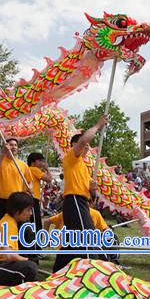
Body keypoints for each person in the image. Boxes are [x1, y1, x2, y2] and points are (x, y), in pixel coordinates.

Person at [53, 115, 108, 273]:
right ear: (74, 145)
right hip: (74, 202)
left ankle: (58, 271)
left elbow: (92, 197)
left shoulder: (83, 167)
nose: (86, 147)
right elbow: (84, 140)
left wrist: (92, 189)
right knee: (88, 235)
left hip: (80, 203)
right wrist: (98, 125)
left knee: (72, 240)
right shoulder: (71, 158)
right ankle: (92, 271)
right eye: (84, 144)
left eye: (88, 146)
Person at [0, 192, 38, 286]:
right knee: (29, 268)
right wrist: (26, 260)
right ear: (17, 211)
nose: (30, 213)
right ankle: (15, 293)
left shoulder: (10, 221)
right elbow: (8, 256)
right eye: (28, 210)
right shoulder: (9, 225)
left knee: (29, 265)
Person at [0, 138, 32, 229]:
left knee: (21, 229)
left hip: (17, 202)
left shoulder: (23, 165)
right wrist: (2, 153)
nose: (14, 147)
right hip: (1, 201)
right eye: (11, 145)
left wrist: (28, 192)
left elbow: (28, 182)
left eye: (15, 145)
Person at [27, 152, 53, 234]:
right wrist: (47, 169)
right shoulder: (34, 169)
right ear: (32, 162)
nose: (42, 163)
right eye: (39, 161)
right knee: (36, 222)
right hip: (32, 198)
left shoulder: (28, 169)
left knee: (30, 221)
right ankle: (36, 243)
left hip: (29, 198)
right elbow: (49, 179)